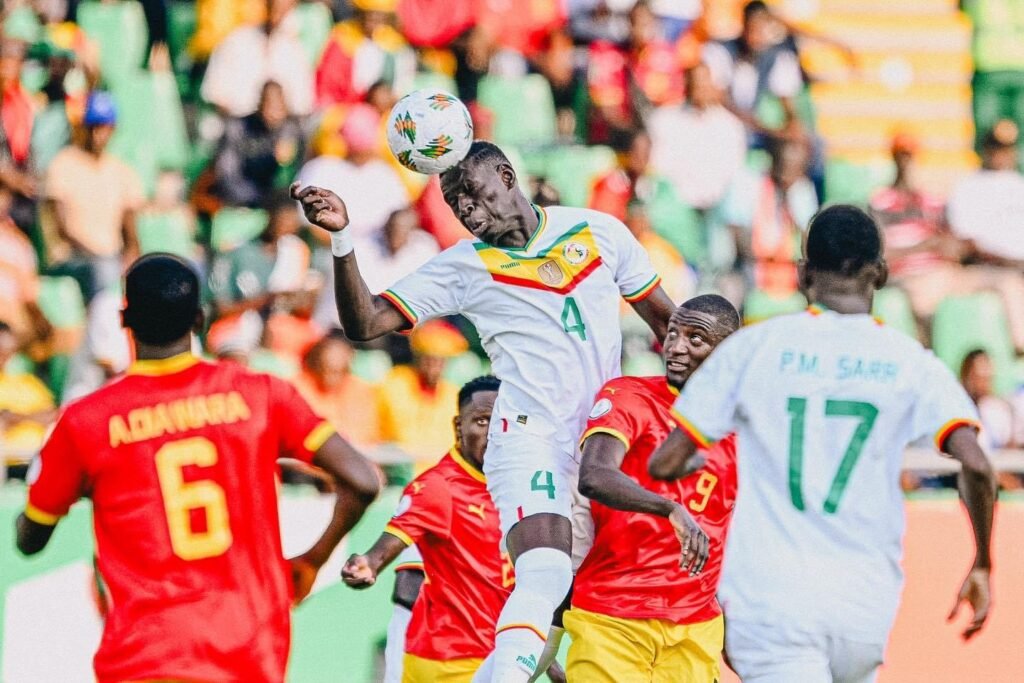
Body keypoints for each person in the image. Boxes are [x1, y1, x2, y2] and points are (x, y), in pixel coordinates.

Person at [292, 139, 674, 682]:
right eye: (454, 204)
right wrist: (342, 238)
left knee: (564, 612)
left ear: (505, 175)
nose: (466, 209)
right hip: (526, 438)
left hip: (601, 447)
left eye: (471, 192)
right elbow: (365, 323)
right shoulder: (463, 266)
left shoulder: (599, 233)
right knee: (542, 574)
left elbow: (673, 328)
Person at [648, 205, 997, 682]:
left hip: (772, 598)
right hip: (863, 603)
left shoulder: (753, 348)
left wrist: (700, 464)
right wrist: (982, 563)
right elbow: (976, 466)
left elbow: (666, 461)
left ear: (802, 272)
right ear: (883, 272)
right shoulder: (911, 362)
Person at [16, 253, 381, 683]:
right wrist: (312, 561)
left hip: (147, 655)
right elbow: (361, 480)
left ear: (123, 320)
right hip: (250, 647)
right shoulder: (260, 395)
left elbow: (31, 538)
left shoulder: (87, 422)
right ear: (200, 318)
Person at [342, 376, 564, 682]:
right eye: (482, 421)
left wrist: (543, 655)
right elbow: (388, 546)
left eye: (501, 420)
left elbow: (513, 586)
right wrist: (368, 563)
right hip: (450, 659)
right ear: (458, 427)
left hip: (495, 652)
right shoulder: (439, 488)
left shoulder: (517, 485)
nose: (494, 432)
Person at [568, 294, 740, 682]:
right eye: (674, 333)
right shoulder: (629, 395)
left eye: (696, 340)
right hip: (614, 617)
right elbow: (594, 474)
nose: (676, 347)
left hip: (697, 625)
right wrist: (669, 508)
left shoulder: (744, 423)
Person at [870, 131, 1024, 349]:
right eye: (901, 155)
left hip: (947, 272)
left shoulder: (929, 200)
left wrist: (951, 247)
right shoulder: (880, 201)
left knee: (1007, 282)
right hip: (911, 276)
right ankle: (929, 355)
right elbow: (880, 254)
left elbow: (954, 243)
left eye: (909, 155)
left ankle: (1020, 348)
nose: (906, 161)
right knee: (925, 301)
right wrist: (924, 246)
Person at [43, 91, 144, 301]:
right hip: (72, 257)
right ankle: (100, 328)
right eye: (95, 126)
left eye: (105, 127)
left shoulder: (120, 170)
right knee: (101, 271)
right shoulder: (64, 163)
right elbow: (62, 229)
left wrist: (132, 257)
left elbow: (130, 231)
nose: (99, 134)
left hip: (110, 258)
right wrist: (100, 255)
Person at [648, 62, 747, 213]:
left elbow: (732, 171)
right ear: (686, 85)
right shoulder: (664, 119)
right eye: (696, 84)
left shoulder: (731, 126)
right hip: (677, 204)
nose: (701, 90)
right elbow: (660, 167)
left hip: (716, 205)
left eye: (705, 83)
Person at [200, 0, 313, 117]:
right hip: (239, 128)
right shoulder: (235, 42)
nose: (278, 13)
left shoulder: (293, 50)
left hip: (280, 132)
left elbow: (302, 106)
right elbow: (217, 96)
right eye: (273, 5)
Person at [947, 119, 1024, 268]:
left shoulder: (1019, 184)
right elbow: (967, 242)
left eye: (1006, 148)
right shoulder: (967, 187)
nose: (1001, 153)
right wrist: (1009, 262)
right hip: (990, 266)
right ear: (985, 148)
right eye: (996, 146)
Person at [293, 330, 383, 450]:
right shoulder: (298, 386)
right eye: (324, 369)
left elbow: (366, 434)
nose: (329, 378)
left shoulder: (360, 390)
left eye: (337, 372)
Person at [0, 322, 56, 472]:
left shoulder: (27, 382)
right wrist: (33, 416)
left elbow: (53, 415)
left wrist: (15, 417)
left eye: (7, 352)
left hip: (37, 462)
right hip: (7, 465)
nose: (4, 357)